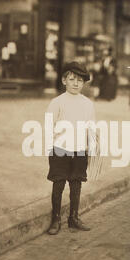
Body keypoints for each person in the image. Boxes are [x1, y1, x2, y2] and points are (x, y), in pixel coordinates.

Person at [46, 61, 96, 235]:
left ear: (84, 83)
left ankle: (73, 217)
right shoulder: (57, 102)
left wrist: (90, 149)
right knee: (58, 184)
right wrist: (52, 149)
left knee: (76, 184)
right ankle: (56, 218)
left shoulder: (88, 104)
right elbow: (48, 127)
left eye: (80, 80)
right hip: (60, 149)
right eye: (72, 79)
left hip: (80, 150)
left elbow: (91, 127)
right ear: (64, 80)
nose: (76, 83)